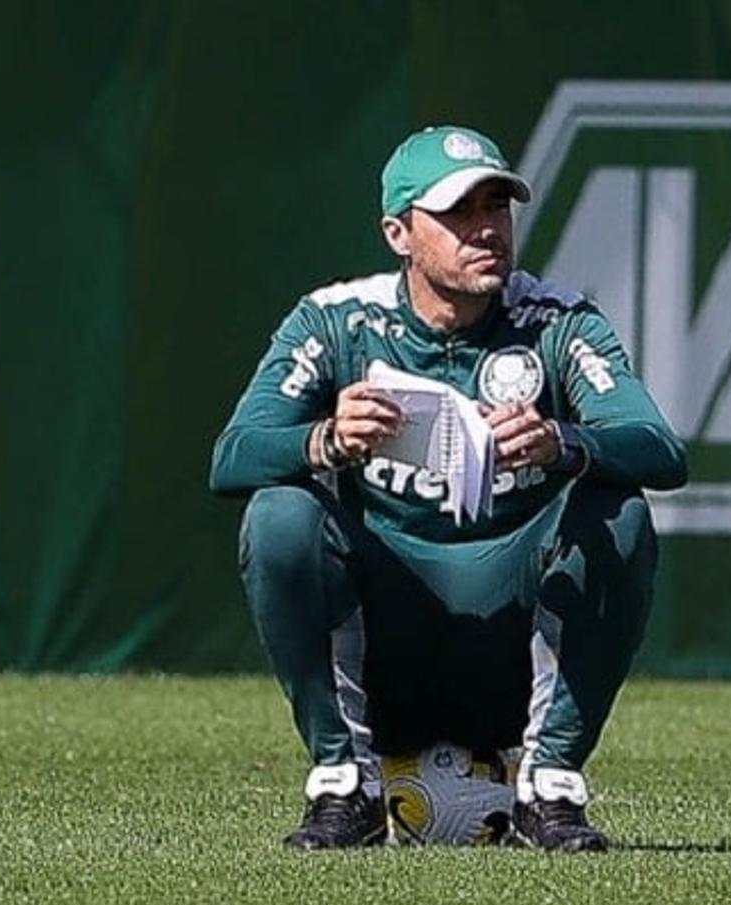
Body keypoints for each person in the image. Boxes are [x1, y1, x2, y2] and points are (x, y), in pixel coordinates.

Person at [209, 125, 687, 852]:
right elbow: (233, 456)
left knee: (617, 510)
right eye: (458, 212)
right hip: (385, 656)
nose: (487, 228)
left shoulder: (557, 322)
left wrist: (566, 443)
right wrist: (325, 440)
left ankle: (550, 786)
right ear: (399, 233)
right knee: (281, 515)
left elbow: (659, 449)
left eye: (497, 206)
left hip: (511, 656)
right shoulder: (338, 323)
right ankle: (345, 783)